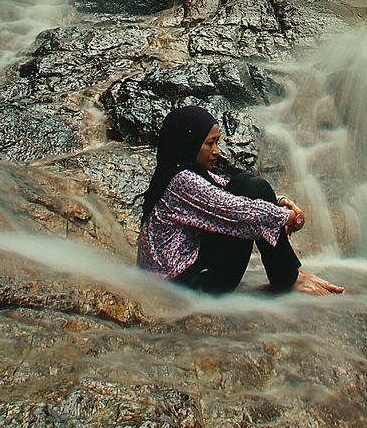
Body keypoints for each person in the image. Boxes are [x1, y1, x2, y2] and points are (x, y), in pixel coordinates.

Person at [137, 105, 344, 296]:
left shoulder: (174, 172)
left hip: (182, 278)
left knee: (247, 184)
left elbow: (224, 191)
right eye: (210, 143)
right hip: (185, 287)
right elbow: (236, 211)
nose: (217, 151)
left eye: (217, 142)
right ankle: (288, 276)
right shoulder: (182, 181)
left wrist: (279, 202)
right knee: (251, 189)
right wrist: (287, 217)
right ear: (189, 142)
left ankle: (290, 274)